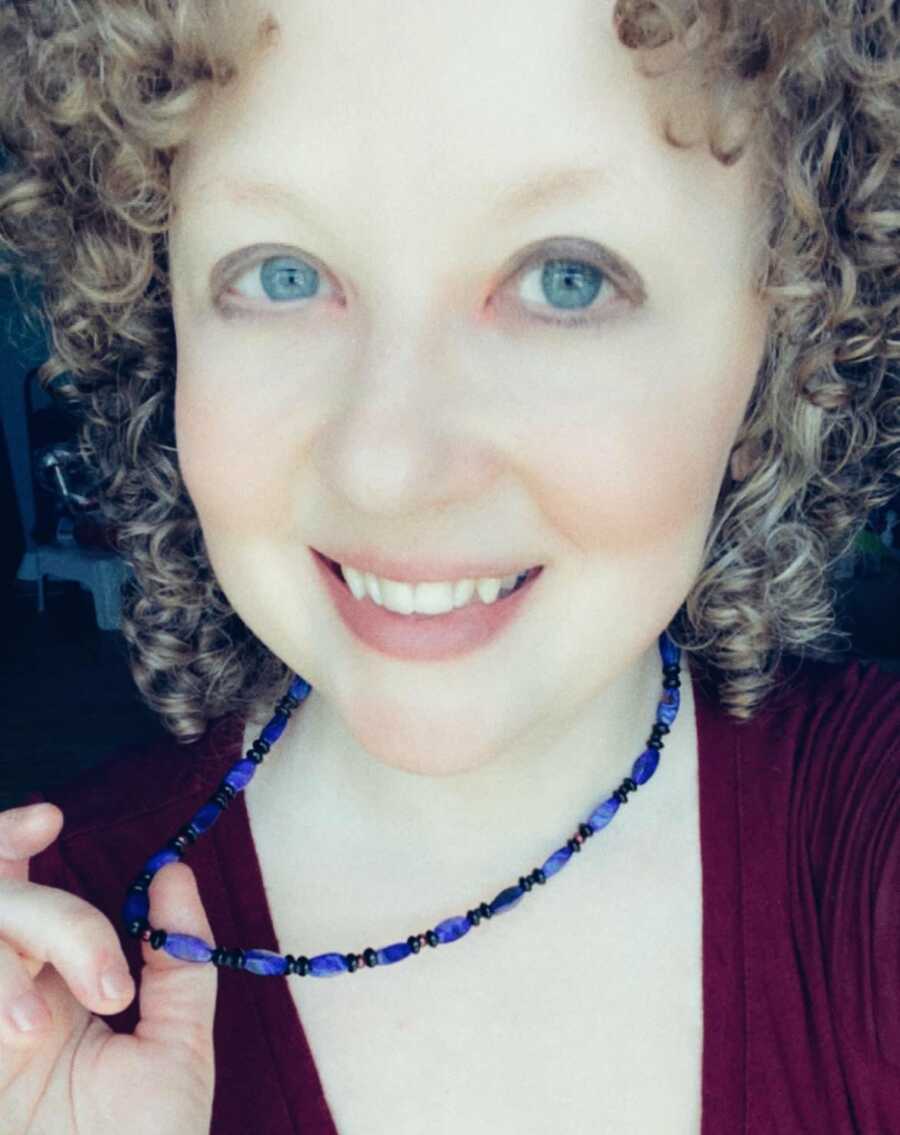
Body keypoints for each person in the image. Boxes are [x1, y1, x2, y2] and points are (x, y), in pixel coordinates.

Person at [0, 0, 898, 1131]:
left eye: (566, 278)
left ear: (784, 327)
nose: (388, 466)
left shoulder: (867, 858)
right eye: (279, 273)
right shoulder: (43, 986)